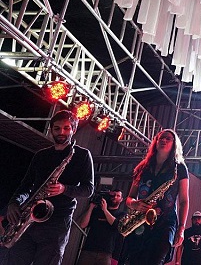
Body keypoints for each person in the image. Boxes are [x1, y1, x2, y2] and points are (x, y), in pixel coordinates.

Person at [4, 109, 94, 265]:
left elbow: (88, 189)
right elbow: (26, 185)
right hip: (29, 219)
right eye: (57, 128)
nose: (61, 132)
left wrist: (64, 188)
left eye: (66, 128)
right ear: (51, 129)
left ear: (73, 129)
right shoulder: (41, 155)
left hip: (57, 223)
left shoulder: (82, 155)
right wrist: (14, 203)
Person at [124, 129, 190, 265]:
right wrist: (134, 204)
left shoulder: (180, 169)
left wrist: (181, 229)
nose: (164, 140)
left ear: (174, 144)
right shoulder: (142, 167)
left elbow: (184, 201)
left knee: (156, 260)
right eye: (161, 138)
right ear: (156, 142)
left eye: (168, 139)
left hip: (165, 221)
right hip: (140, 221)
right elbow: (129, 198)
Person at [76, 189, 126, 265]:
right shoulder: (97, 211)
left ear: (121, 199)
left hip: (106, 253)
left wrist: (105, 210)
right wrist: (91, 207)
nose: (115, 197)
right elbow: (83, 224)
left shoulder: (121, 214)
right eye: (113, 195)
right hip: (88, 250)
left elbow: (116, 225)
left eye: (118, 196)